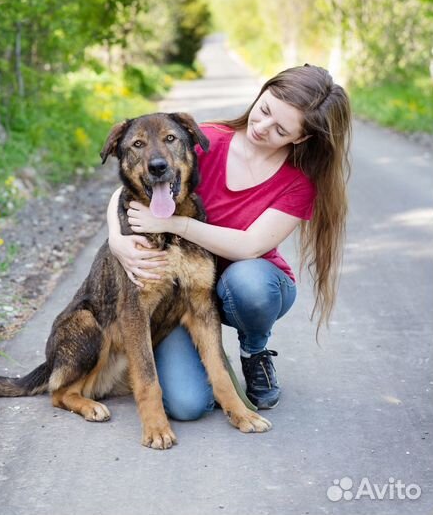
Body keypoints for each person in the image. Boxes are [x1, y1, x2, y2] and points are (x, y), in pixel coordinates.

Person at [106, 64, 352, 420]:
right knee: (188, 405)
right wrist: (117, 239)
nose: (262, 127)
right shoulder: (205, 140)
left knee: (248, 281)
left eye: (280, 129)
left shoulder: (299, 183)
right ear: (261, 93)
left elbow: (249, 246)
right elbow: (131, 184)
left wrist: (176, 223)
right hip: (184, 293)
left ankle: (254, 352)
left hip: (248, 289)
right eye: (264, 110)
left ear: (300, 138)